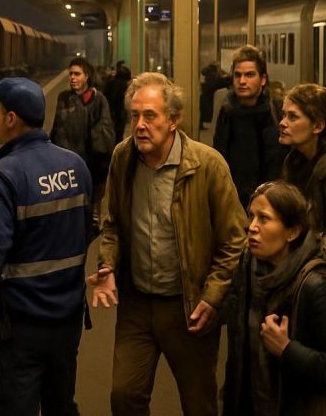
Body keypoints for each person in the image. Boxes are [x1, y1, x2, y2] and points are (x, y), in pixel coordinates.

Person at [88, 71, 247, 416]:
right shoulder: (123, 158)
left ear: (173, 120)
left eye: (150, 116)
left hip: (188, 306)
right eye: (135, 116)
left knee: (198, 403)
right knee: (124, 395)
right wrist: (107, 265)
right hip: (137, 305)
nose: (140, 125)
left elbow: (236, 240)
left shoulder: (206, 165)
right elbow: (112, 224)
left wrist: (213, 296)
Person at [0, 77, 92, 415]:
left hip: (20, 328)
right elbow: (83, 231)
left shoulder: (2, 177)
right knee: (61, 406)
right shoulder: (76, 166)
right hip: (68, 322)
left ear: (11, 118)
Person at [223, 180, 326, 415]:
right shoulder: (248, 267)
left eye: (264, 219)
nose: (251, 227)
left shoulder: (316, 285)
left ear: (292, 232)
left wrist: (287, 350)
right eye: (251, 216)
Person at [213, 45, 286, 209]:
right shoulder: (227, 109)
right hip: (233, 199)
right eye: (237, 75)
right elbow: (219, 153)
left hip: (271, 199)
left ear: (263, 79)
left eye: (249, 75)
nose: (242, 81)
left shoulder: (276, 110)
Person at [51, 56, 114, 237]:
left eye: (77, 74)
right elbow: (57, 130)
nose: (72, 77)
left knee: (90, 217)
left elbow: (106, 133)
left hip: (93, 167)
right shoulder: (64, 98)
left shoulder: (98, 99)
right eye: (71, 74)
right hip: (67, 166)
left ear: (87, 76)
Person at [279, 83, 326, 235]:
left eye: (292, 117)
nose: (282, 123)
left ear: (317, 126)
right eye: (283, 115)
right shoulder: (295, 160)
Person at [103, 61, 132, 143]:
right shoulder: (123, 85)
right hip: (119, 112)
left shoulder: (109, 83)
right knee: (118, 134)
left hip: (110, 111)